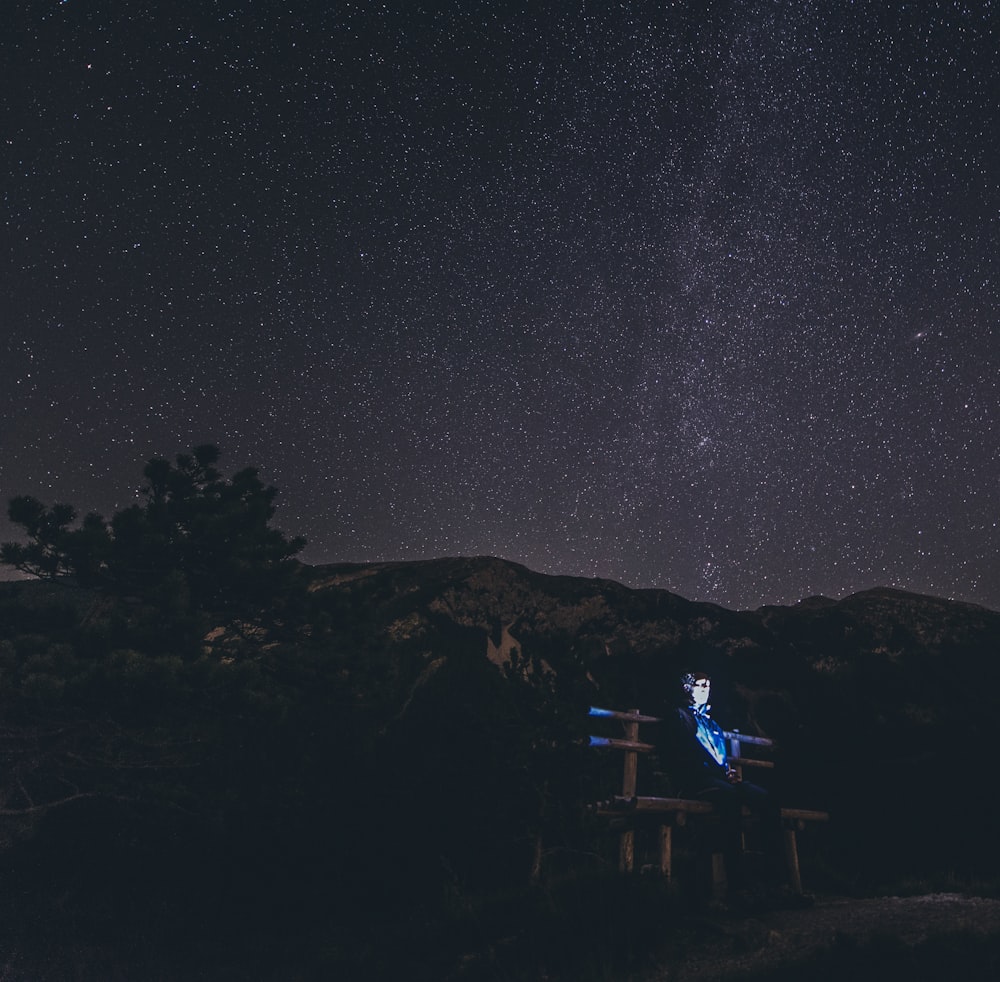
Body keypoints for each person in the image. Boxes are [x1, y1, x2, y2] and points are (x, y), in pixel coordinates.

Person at [668, 671, 783, 891]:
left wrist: (726, 773)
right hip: (698, 781)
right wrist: (711, 773)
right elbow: (682, 755)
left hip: (719, 779)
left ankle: (775, 880)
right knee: (730, 801)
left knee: (766, 799)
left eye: (708, 685)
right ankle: (736, 884)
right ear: (687, 688)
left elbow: (716, 755)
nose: (705, 689)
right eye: (700, 685)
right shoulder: (680, 716)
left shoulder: (711, 723)